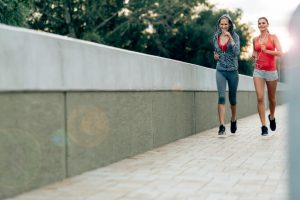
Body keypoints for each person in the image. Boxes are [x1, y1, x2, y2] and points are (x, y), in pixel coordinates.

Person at [252, 17, 282, 136]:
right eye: (259, 23)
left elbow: (280, 52)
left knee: (272, 99)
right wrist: (253, 56)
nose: (261, 25)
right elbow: (254, 51)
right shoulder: (255, 39)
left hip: (271, 71)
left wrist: (267, 51)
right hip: (258, 71)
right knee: (260, 97)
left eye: (263, 23)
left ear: (267, 24)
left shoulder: (273, 37)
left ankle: (272, 117)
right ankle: (263, 126)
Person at [213, 14, 240, 136]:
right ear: (219, 25)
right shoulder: (216, 36)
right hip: (220, 70)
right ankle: (222, 125)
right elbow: (216, 51)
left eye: (226, 24)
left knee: (232, 99)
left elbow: (237, 52)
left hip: (233, 71)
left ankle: (233, 119)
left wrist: (231, 38)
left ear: (230, 24)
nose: (223, 26)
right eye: (221, 24)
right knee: (221, 97)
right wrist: (215, 56)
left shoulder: (235, 36)